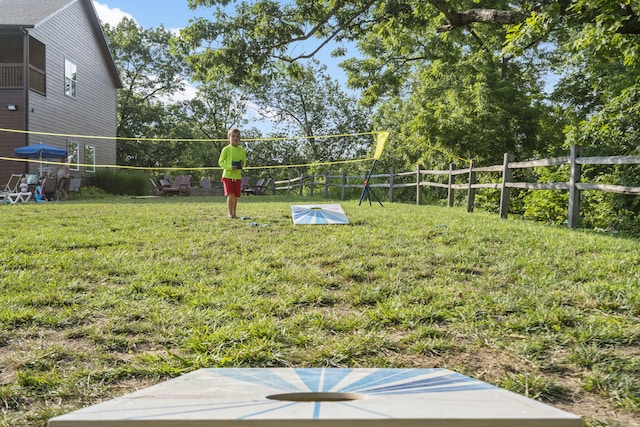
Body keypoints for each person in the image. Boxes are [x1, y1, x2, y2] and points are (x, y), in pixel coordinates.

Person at [218, 127, 247, 219]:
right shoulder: (226, 149)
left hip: (237, 176)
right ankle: (230, 214)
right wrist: (229, 168)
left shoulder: (241, 150)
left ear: (240, 139)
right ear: (228, 138)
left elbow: (244, 162)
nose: (235, 138)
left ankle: (234, 213)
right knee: (230, 194)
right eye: (233, 136)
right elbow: (221, 162)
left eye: (237, 136)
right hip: (227, 176)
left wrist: (242, 164)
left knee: (235, 196)